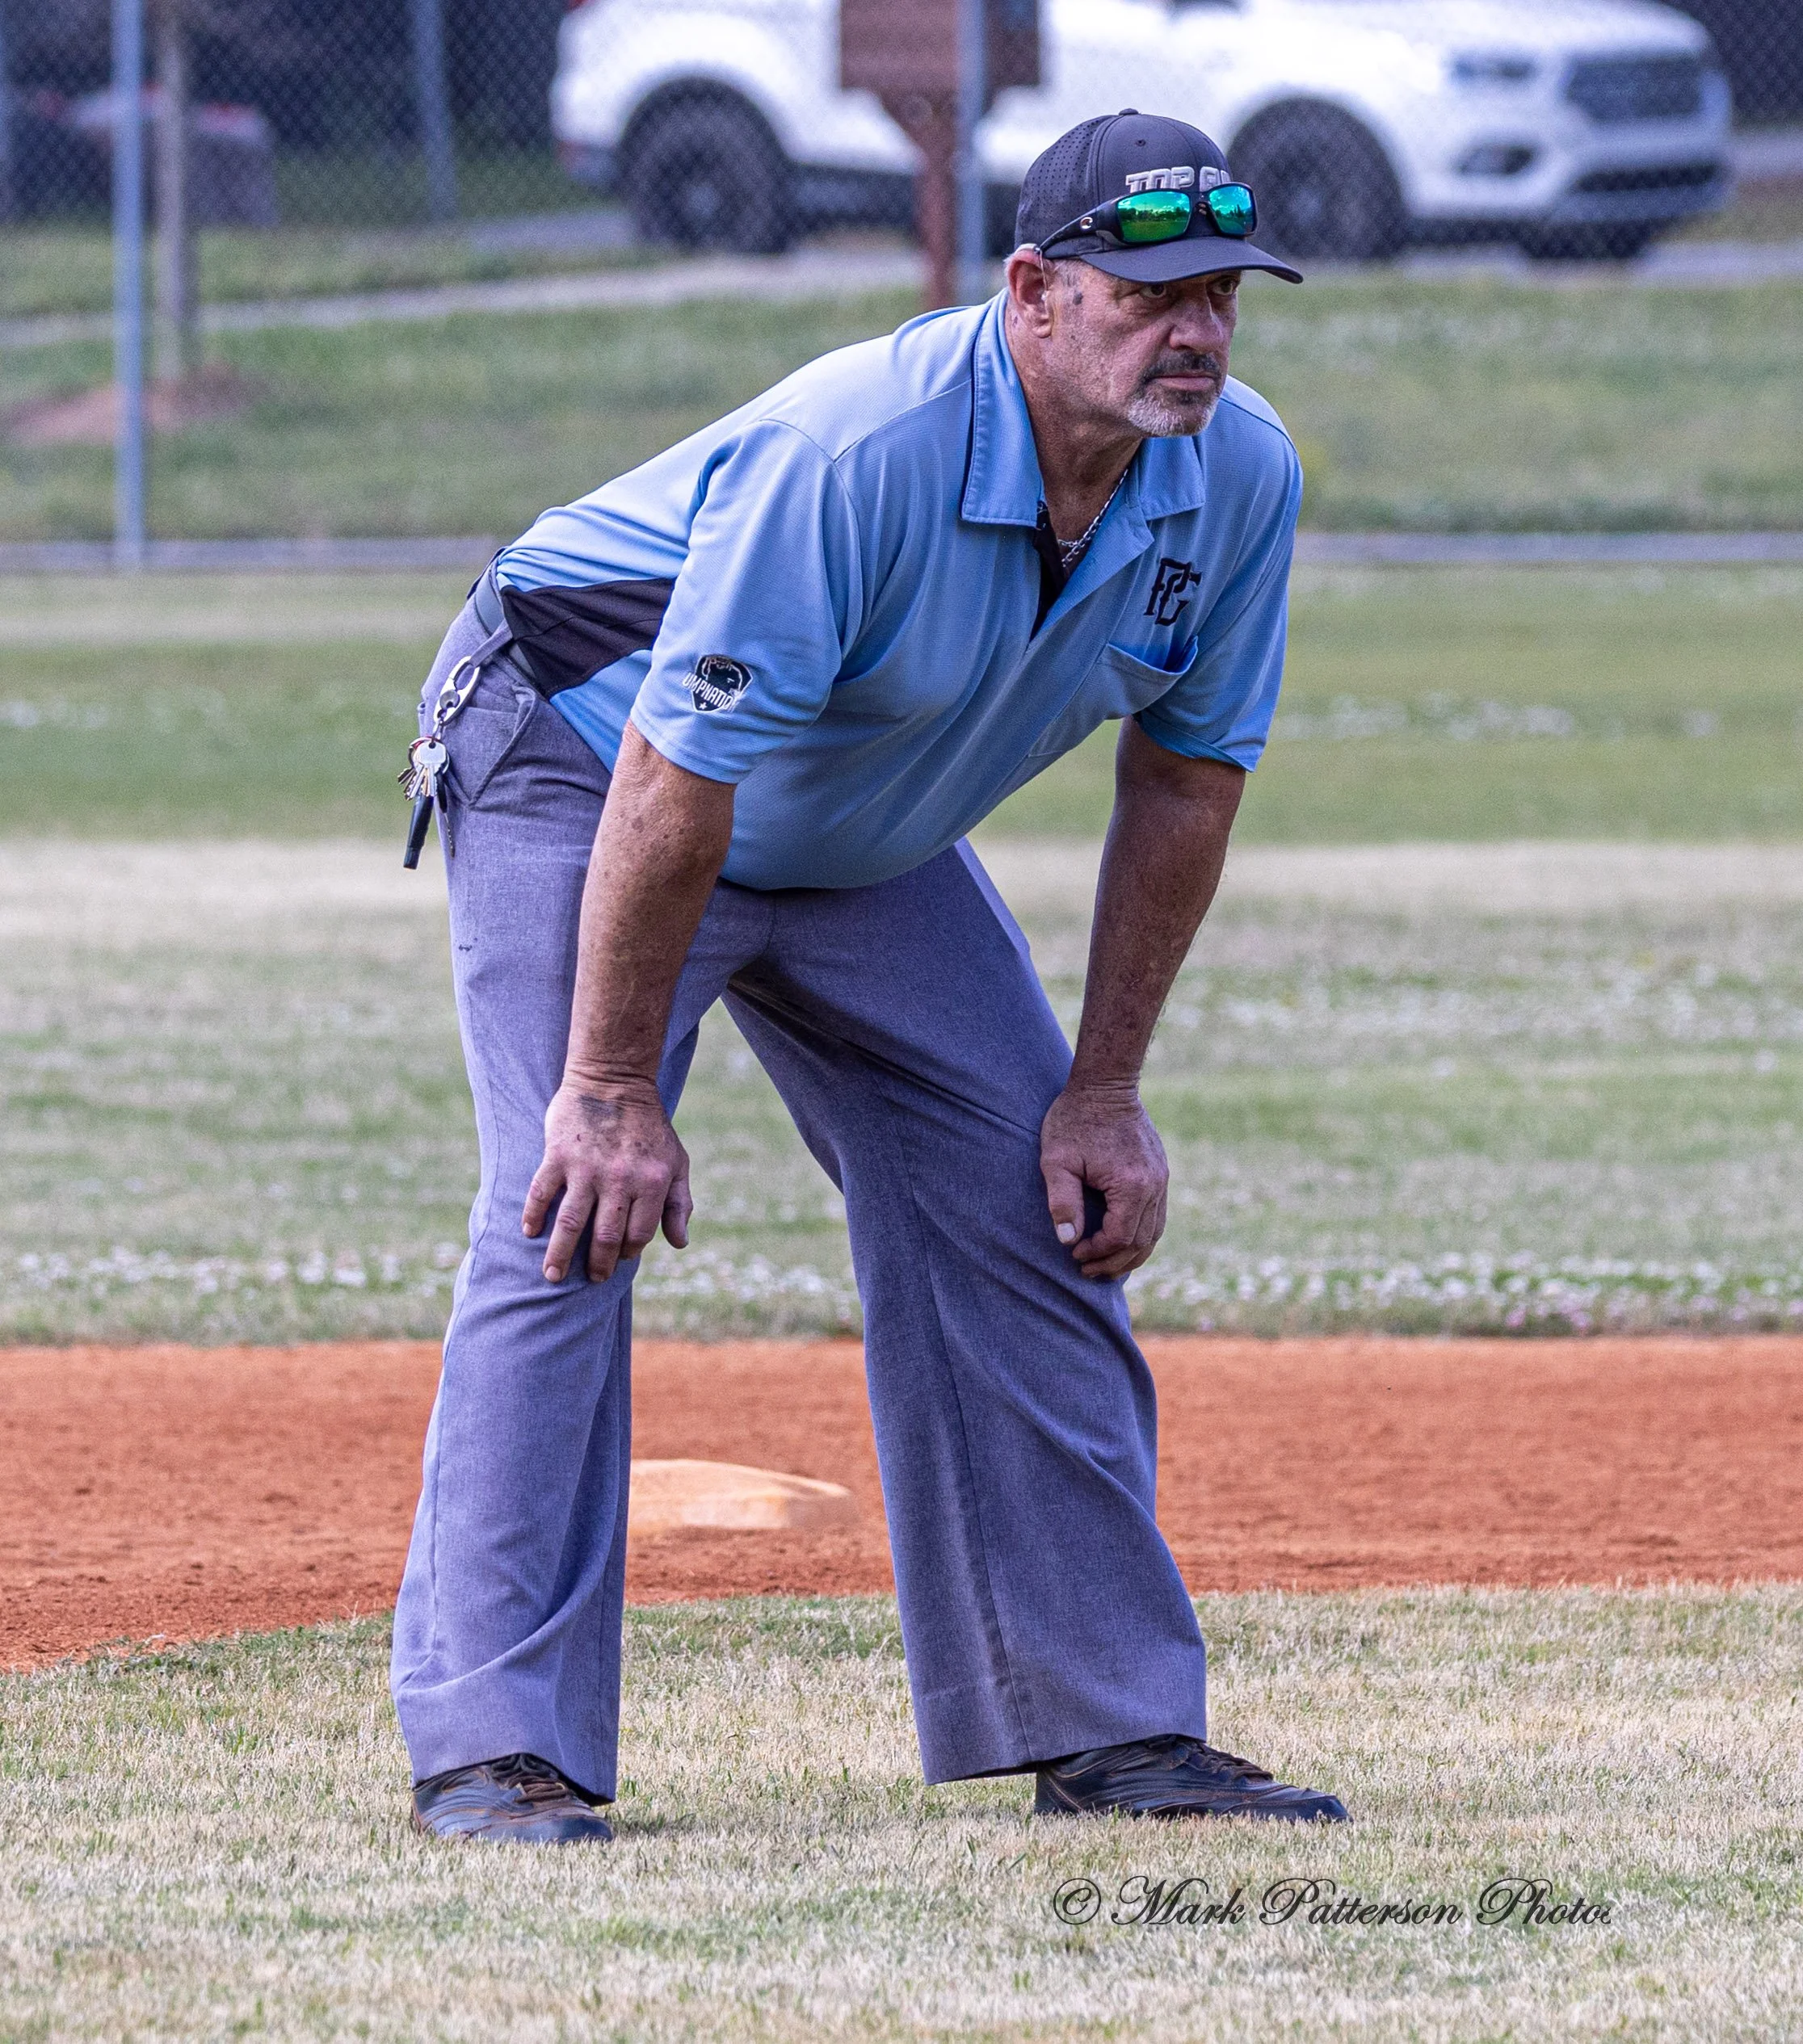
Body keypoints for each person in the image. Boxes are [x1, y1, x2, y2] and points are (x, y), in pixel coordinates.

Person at [393, 108, 1348, 1842]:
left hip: (848, 820)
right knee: (567, 1200)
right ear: (1035, 291)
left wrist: (1104, 1083)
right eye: (1147, 293)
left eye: (1219, 289)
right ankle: (494, 1745)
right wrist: (606, 1087)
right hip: (583, 755)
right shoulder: (863, 448)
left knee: (1026, 1193)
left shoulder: (1243, 473)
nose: (1193, 328)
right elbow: (678, 780)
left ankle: (1109, 1724)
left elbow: (1190, 775)